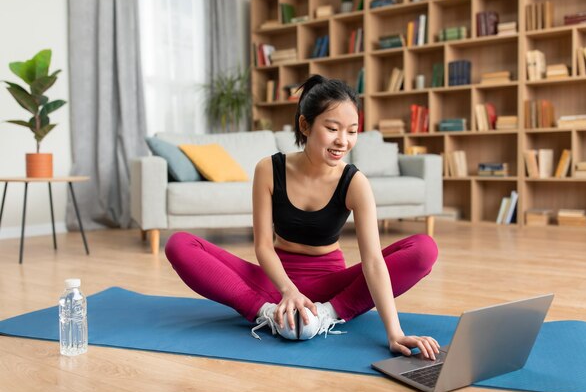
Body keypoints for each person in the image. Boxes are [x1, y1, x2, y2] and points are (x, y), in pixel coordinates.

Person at [165, 74, 440, 358]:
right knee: (179, 244)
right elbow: (262, 246)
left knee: (424, 249)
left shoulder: (355, 182)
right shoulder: (269, 169)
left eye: (352, 131)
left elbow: (372, 261)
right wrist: (288, 291)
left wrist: (394, 333)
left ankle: (325, 316)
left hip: (331, 289)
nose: (343, 141)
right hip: (273, 282)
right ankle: (268, 314)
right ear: (305, 125)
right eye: (332, 128)